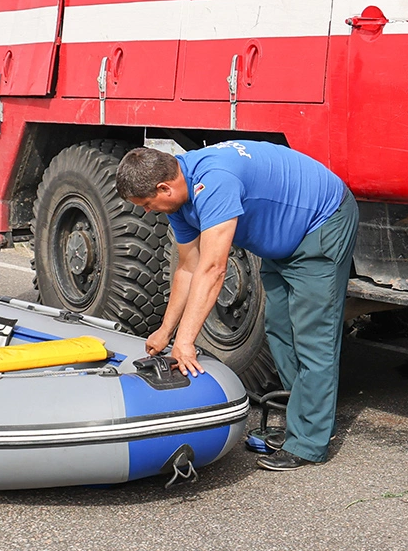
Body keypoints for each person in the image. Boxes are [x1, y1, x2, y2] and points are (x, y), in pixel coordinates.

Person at [116, 141, 358, 471]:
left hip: (321, 222)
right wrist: (166, 330)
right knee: (280, 329)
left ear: (164, 188)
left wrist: (186, 342)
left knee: (313, 337)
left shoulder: (214, 181)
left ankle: (309, 442)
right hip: (285, 236)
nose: (147, 211)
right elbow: (188, 268)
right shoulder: (179, 200)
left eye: (147, 204)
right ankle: (300, 423)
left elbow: (213, 269)